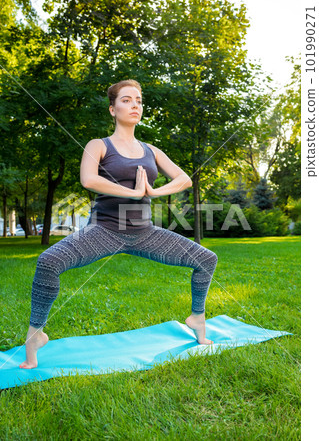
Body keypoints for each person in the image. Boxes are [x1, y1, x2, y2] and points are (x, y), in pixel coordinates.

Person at [19, 79, 218, 369]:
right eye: (126, 100)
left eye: (138, 100)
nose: (134, 104)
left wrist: (152, 191)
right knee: (49, 261)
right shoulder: (99, 145)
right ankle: (35, 334)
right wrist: (133, 192)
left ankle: (197, 317)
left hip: (145, 232)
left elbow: (184, 179)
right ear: (113, 109)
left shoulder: (151, 150)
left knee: (206, 259)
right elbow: (89, 179)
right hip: (105, 230)